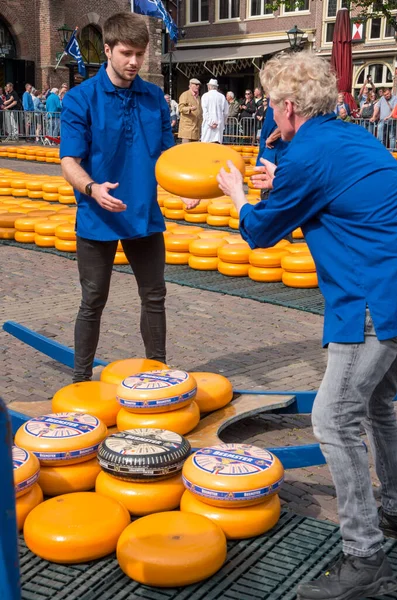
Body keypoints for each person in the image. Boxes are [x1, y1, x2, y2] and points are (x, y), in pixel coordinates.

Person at [217, 51, 397, 600]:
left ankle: (365, 559)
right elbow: (327, 192)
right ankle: (393, 506)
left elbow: (260, 232)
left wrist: (240, 197)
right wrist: (280, 160)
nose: (270, 116)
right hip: (393, 289)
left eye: (274, 107)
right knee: (375, 406)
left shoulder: (309, 155)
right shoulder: (350, 139)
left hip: (371, 297)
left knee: (332, 418)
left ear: (288, 106)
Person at [60, 12, 199, 384]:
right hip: (97, 215)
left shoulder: (154, 97)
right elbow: (69, 162)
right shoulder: (80, 99)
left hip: (143, 215)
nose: (134, 61)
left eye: (140, 53)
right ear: (107, 50)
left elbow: (168, 158)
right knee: (93, 301)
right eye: (126, 53)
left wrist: (186, 189)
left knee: (155, 295)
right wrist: (92, 189)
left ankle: (159, 371)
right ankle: (80, 380)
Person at [200, 78, 229, 144]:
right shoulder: (222, 97)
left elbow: (205, 112)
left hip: (208, 125)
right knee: (217, 145)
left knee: (206, 145)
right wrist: (222, 122)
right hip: (219, 125)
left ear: (209, 86)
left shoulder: (205, 96)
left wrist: (210, 122)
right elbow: (226, 112)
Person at [178, 78, 202, 143]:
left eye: (198, 85)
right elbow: (180, 108)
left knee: (195, 150)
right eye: (196, 84)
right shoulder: (185, 94)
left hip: (196, 129)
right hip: (187, 129)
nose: (198, 86)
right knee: (186, 150)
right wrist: (189, 109)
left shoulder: (198, 97)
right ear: (190, 85)